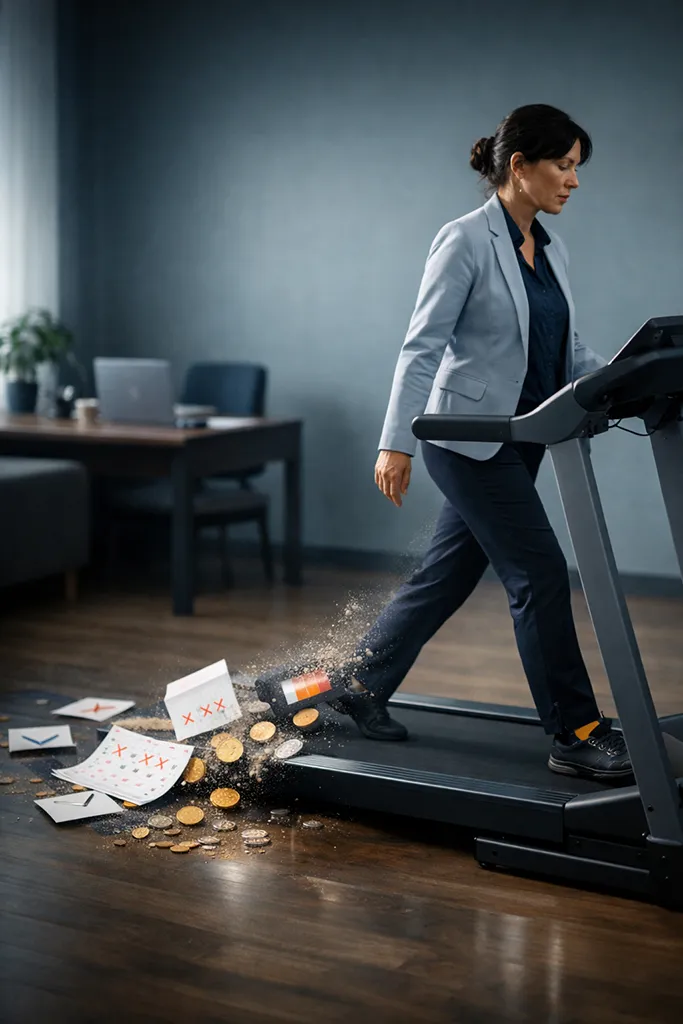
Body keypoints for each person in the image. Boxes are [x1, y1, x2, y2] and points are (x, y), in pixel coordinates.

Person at [333, 103, 632, 783]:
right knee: (538, 574)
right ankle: (574, 731)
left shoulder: (549, 249)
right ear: (519, 166)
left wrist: (626, 371)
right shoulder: (465, 239)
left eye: (576, 167)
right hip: (463, 438)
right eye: (563, 165)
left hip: (521, 436)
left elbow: (564, 347)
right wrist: (396, 443)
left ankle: (358, 684)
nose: (574, 181)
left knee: (446, 575)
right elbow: (421, 347)